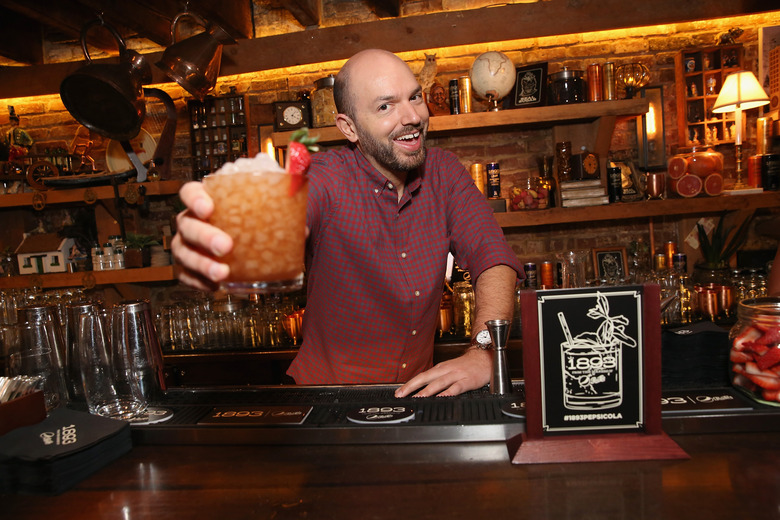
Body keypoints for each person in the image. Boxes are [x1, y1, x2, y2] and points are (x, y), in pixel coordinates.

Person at [172, 49, 521, 397]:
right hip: (328, 399)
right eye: (385, 106)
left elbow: (492, 257)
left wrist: (485, 351)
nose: (411, 116)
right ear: (349, 127)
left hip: (418, 397)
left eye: (414, 97)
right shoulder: (325, 178)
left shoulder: (444, 172)